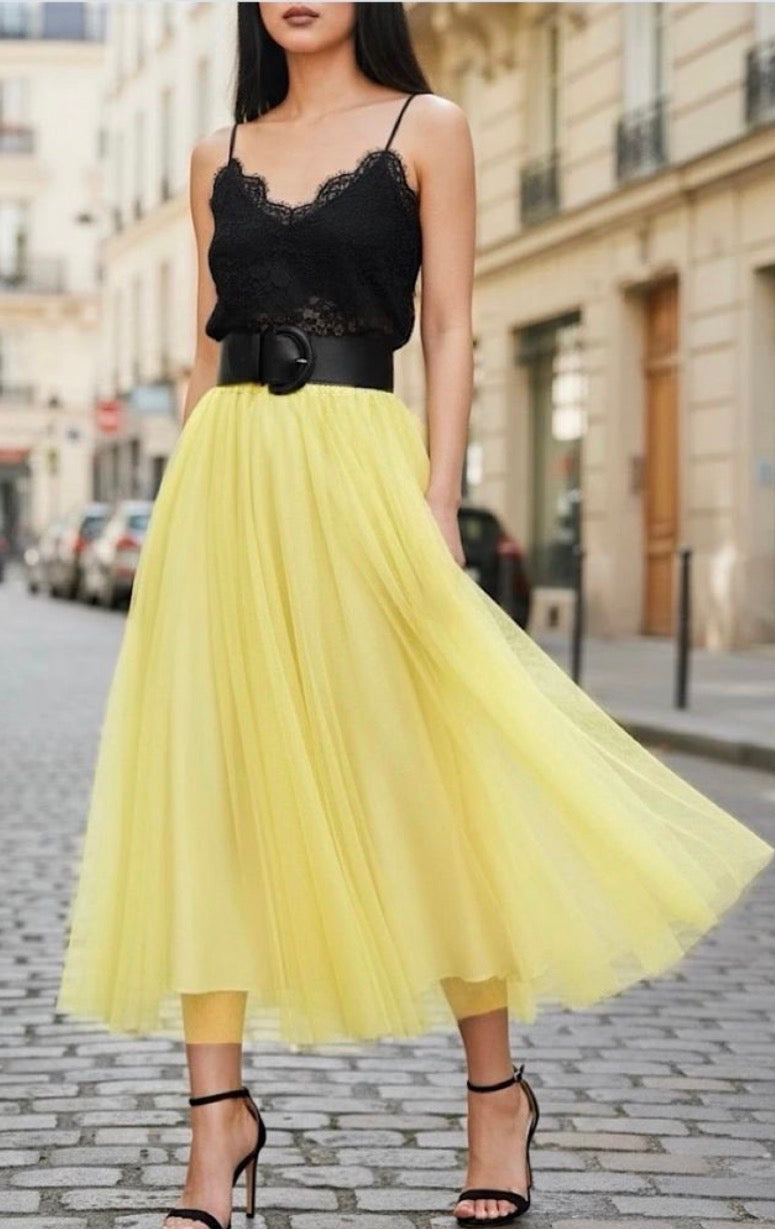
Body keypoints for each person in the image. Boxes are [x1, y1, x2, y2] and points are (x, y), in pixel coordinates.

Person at [56, 5, 774, 1229]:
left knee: (425, 776)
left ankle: (495, 1095)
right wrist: (179, 504)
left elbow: (448, 323)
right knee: (211, 791)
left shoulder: (426, 126)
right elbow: (199, 348)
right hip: (227, 479)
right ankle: (212, 1127)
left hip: (360, 469)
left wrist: (436, 496)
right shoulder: (208, 151)